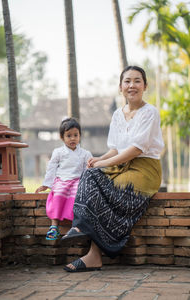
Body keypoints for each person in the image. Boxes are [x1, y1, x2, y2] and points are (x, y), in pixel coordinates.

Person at [62, 66, 164, 272]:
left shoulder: (150, 112)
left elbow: (136, 149)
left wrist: (105, 163)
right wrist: (100, 159)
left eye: (137, 81)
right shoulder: (118, 114)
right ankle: (81, 229)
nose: (132, 85)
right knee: (90, 174)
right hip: (121, 166)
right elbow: (116, 148)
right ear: (120, 87)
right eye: (127, 81)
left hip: (145, 170)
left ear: (145, 86)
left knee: (99, 182)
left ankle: (91, 249)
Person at [35, 118, 92, 240]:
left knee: (78, 194)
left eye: (75, 135)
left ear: (80, 136)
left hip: (77, 181)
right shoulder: (58, 152)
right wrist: (46, 184)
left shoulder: (85, 154)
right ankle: (54, 226)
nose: (72, 138)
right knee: (59, 192)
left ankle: (76, 227)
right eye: (69, 135)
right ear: (62, 137)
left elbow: (88, 170)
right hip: (62, 180)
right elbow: (51, 168)